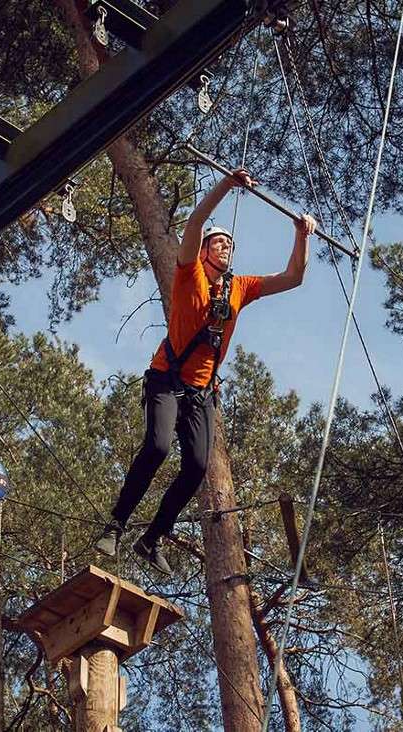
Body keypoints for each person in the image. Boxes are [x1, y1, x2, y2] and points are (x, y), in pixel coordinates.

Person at [94, 168, 316, 574]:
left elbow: (293, 277)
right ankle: (117, 522)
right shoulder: (188, 272)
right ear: (204, 250)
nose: (225, 247)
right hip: (166, 378)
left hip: (201, 392)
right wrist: (227, 185)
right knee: (158, 446)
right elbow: (196, 222)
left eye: (229, 244)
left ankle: (153, 537)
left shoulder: (239, 287)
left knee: (196, 466)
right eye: (219, 242)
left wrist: (301, 235)